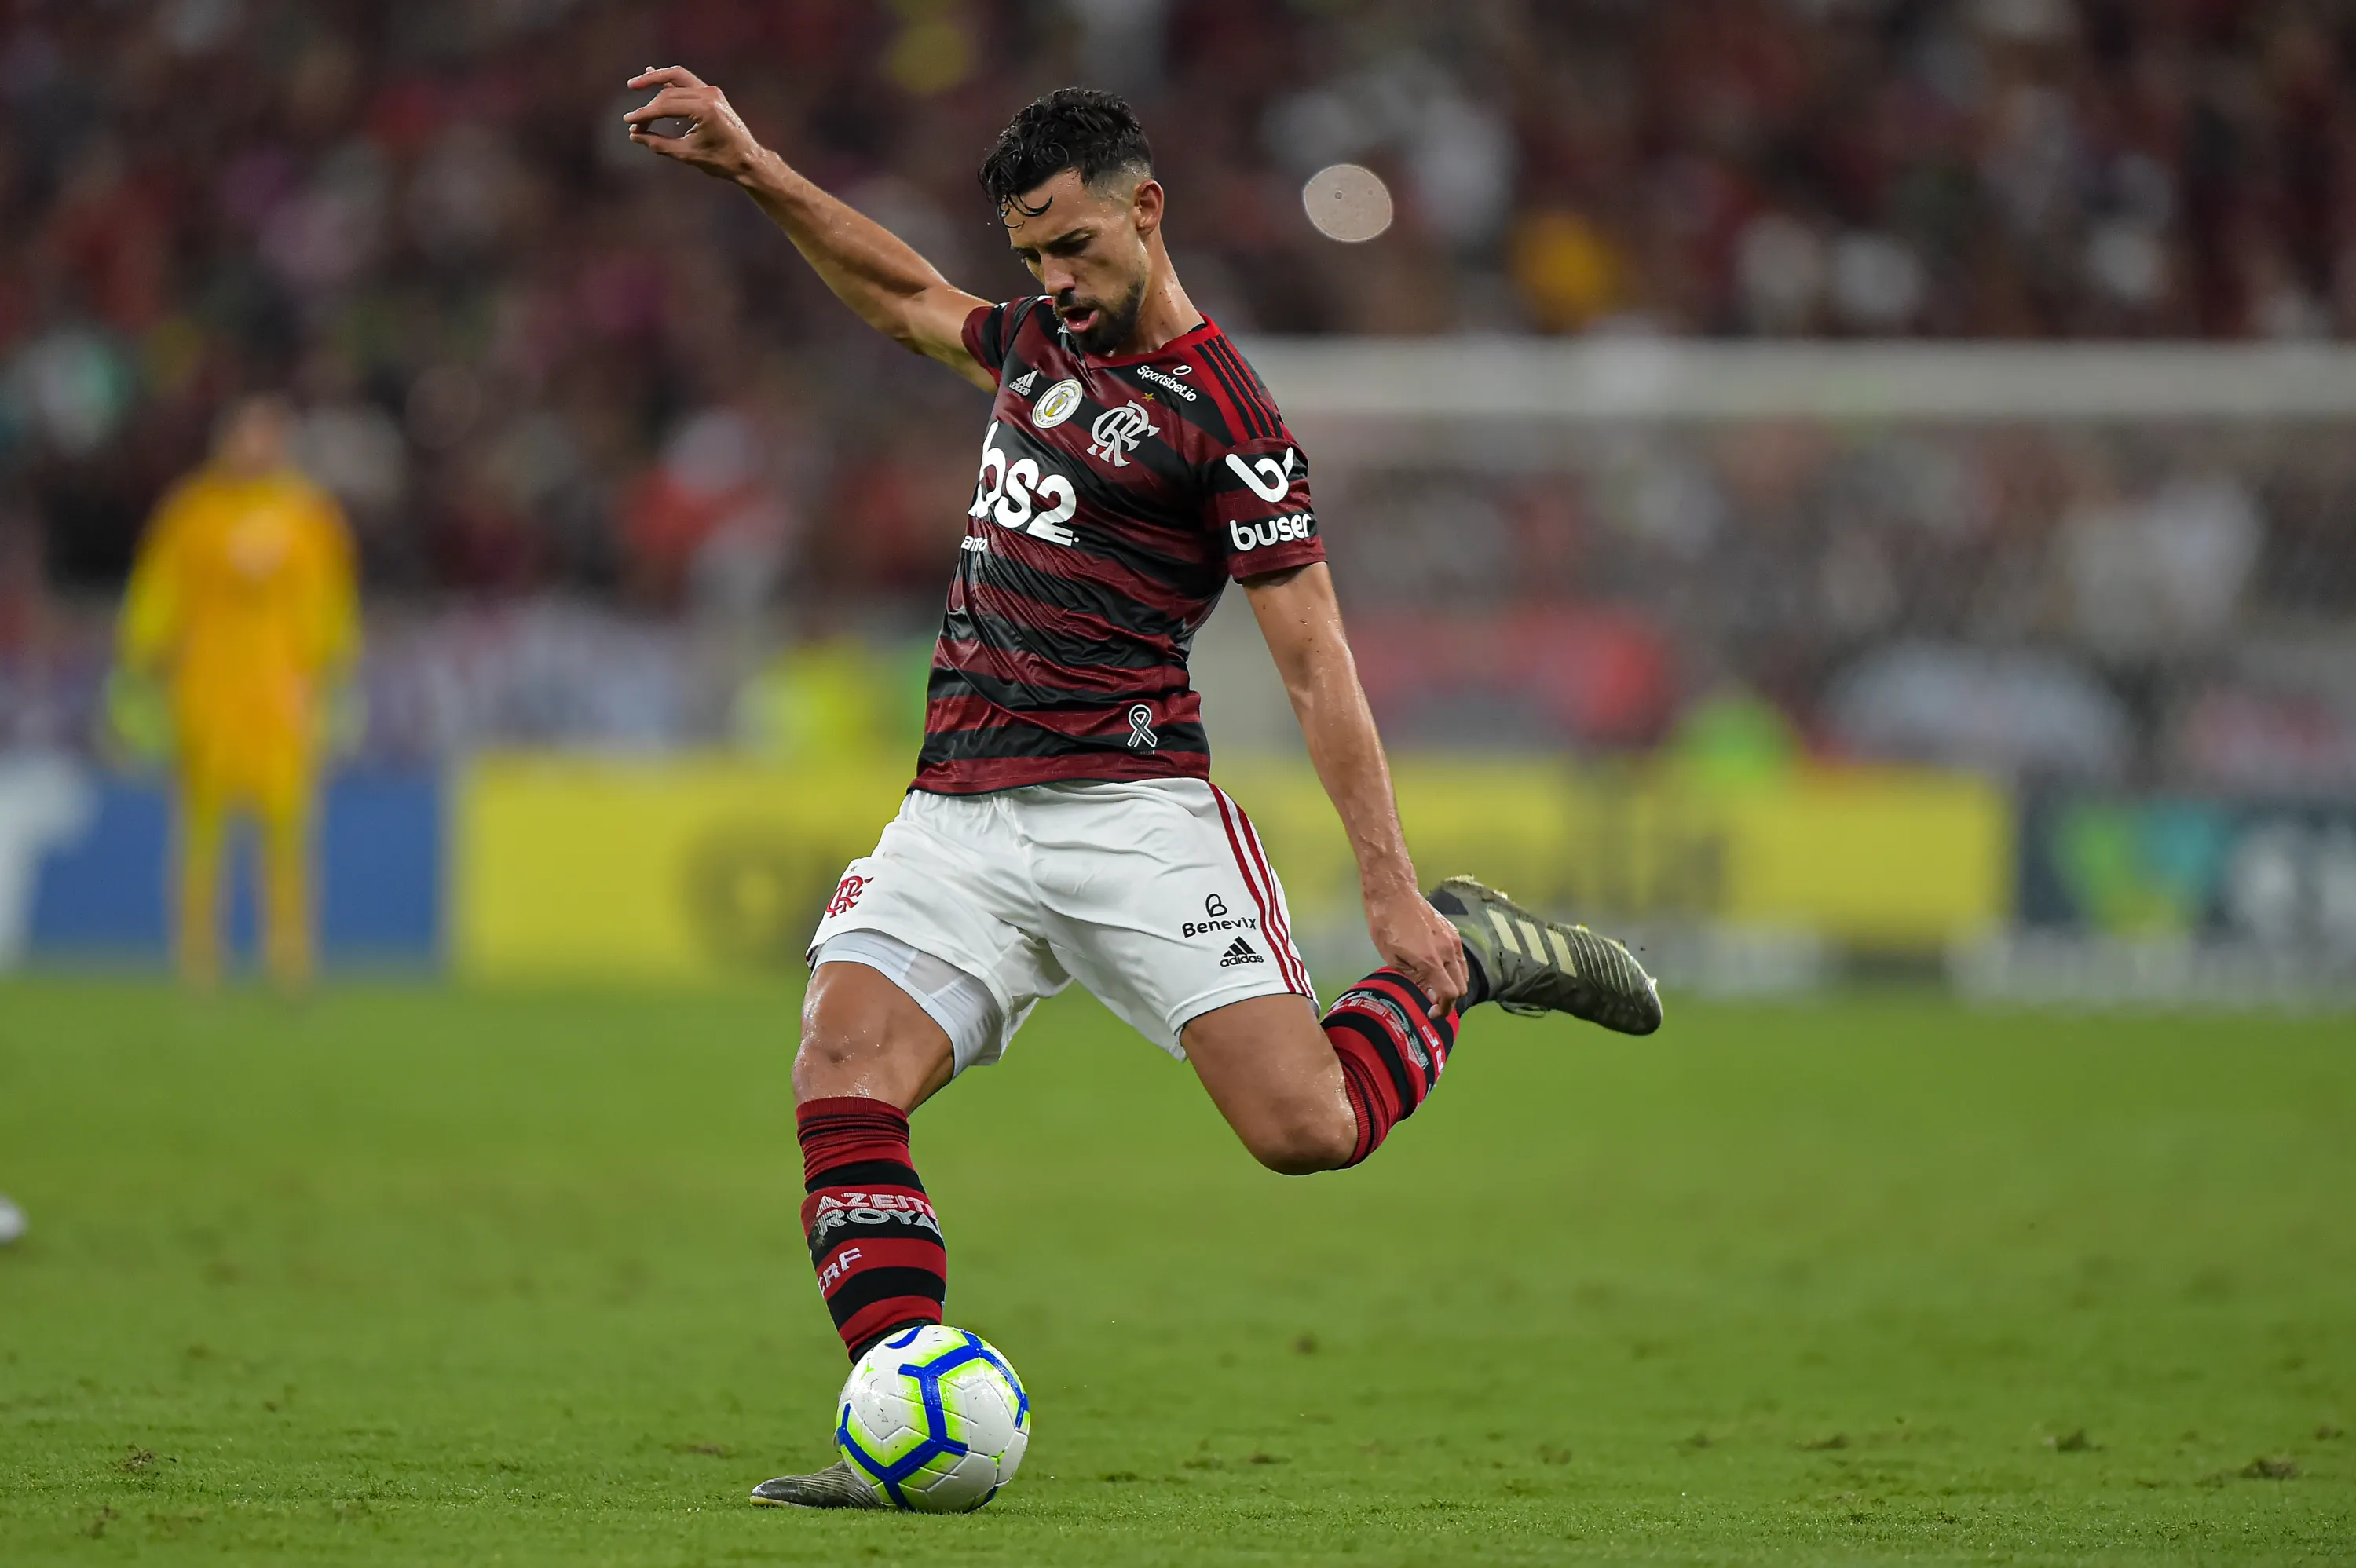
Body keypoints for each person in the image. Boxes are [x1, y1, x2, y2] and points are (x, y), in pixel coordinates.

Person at [626, 72, 1662, 1508]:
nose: (1055, 279)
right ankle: (900, 1411)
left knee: (1307, 1129)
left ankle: (1466, 962)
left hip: (1131, 813)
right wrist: (756, 168)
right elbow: (906, 296)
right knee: (840, 1068)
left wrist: (1388, 887)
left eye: (1074, 245)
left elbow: (1318, 665)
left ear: (1146, 210)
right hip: (958, 812)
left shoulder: (1230, 418)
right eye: (1033, 254)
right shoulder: (1037, 343)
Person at [115, 395, 359, 990]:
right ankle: (200, 958)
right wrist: (142, 658)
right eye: (246, 436)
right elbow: (158, 591)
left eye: (267, 437)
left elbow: (330, 601)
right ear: (225, 442)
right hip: (206, 691)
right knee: (201, 831)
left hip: (281, 695)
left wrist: (333, 673)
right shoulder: (192, 513)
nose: (256, 448)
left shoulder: (309, 516)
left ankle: (291, 957)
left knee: (287, 830)